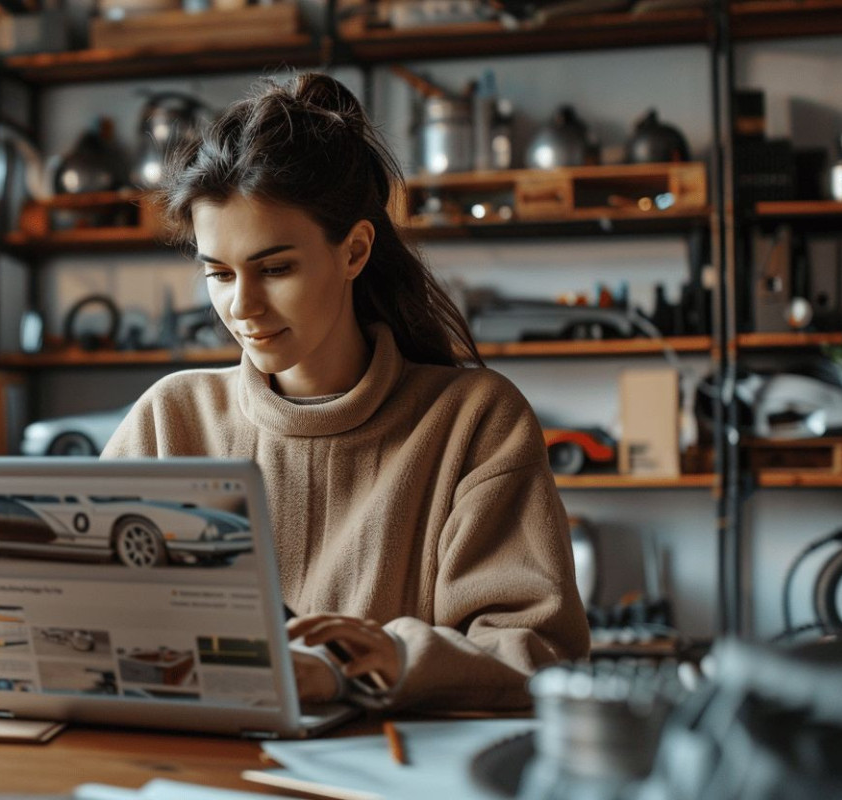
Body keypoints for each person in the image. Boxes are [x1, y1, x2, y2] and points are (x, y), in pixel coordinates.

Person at [101, 72, 589, 711]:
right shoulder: (170, 419)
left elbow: (542, 653)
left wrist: (387, 658)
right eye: (219, 274)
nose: (241, 306)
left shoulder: (474, 421)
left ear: (355, 250)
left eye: (275, 268)